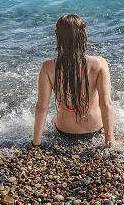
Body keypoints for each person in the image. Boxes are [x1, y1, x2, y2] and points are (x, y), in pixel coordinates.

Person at [32, 15, 115, 147]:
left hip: (64, 131)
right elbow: (106, 104)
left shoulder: (48, 67)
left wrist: (36, 143)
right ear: (84, 35)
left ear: (58, 37)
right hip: (94, 129)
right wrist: (110, 141)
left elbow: (42, 107)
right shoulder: (99, 63)